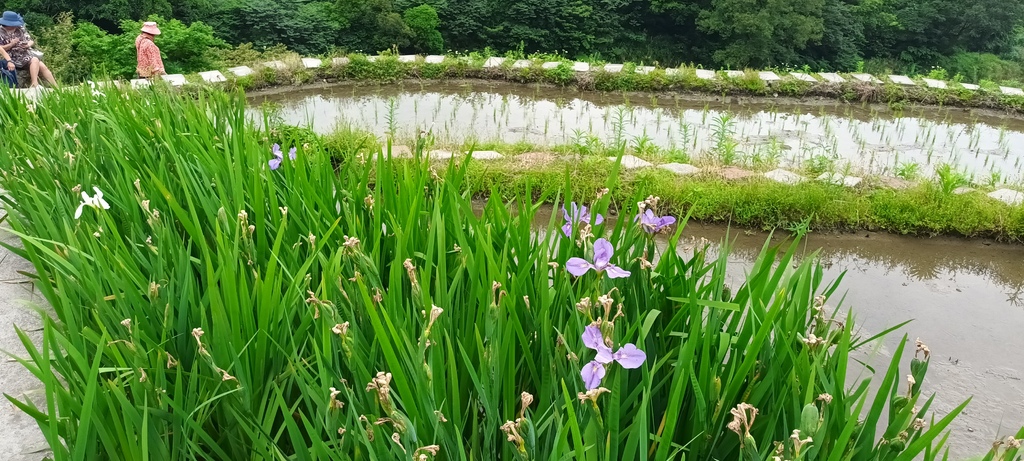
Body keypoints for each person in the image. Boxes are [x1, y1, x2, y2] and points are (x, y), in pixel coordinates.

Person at [0, 11, 56, 88]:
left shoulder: (20, 28)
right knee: (35, 60)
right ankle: (34, 84)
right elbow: (1, 48)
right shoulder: (1, 32)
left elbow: (31, 40)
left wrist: (27, 45)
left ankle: (56, 87)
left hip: (24, 54)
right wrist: (11, 44)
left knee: (42, 66)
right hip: (11, 56)